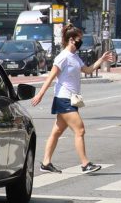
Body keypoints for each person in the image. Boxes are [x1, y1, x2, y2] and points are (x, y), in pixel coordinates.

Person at [31, 24, 114, 174]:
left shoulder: (74, 56)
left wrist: (101, 59)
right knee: (80, 130)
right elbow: (51, 77)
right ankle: (85, 164)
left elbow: (87, 70)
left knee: (56, 132)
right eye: (79, 39)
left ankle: (45, 163)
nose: (80, 42)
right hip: (64, 98)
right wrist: (40, 94)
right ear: (71, 40)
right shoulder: (62, 57)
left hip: (72, 99)